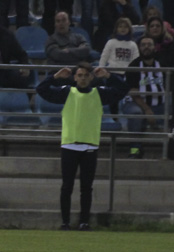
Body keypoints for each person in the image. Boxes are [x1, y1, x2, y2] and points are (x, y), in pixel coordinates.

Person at [36, 64, 128, 229]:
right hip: (70, 145)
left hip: (90, 145)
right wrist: (55, 77)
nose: (83, 78)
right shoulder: (67, 92)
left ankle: (84, 222)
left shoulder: (98, 93)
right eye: (80, 75)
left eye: (86, 75)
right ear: (75, 77)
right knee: (67, 186)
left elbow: (123, 89)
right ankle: (65, 222)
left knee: (86, 187)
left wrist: (108, 76)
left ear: (91, 77)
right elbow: (42, 89)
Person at [122, 36, 166, 157]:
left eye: (149, 44)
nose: (146, 47)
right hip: (135, 103)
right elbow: (133, 92)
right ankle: (134, 150)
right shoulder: (134, 65)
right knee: (136, 114)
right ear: (139, 48)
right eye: (143, 45)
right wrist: (147, 110)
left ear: (154, 47)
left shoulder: (162, 64)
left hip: (159, 104)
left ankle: (173, 150)